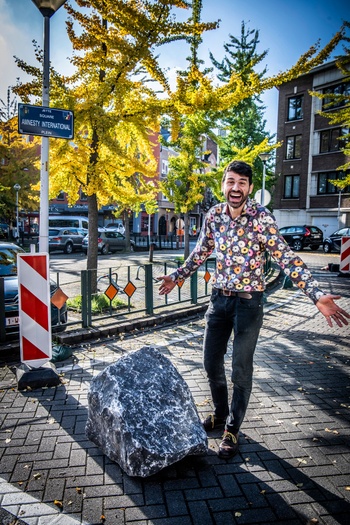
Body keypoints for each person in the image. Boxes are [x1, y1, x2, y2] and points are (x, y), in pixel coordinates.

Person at [158, 160, 349, 460]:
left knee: (241, 368)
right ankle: (220, 415)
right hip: (219, 301)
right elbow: (201, 252)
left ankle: (232, 429)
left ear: (249, 188)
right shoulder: (214, 216)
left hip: (249, 303)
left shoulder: (261, 218)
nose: (236, 188)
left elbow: (285, 257)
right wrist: (178, 276)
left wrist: (316, 294)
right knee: (210, 362)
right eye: (231, 181)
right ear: (223, 184)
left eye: (242, 183)